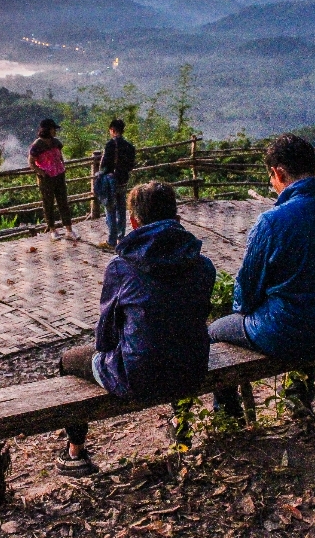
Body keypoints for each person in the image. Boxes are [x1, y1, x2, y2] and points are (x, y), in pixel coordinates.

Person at [57, 181, 216, 476]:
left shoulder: (121, 268)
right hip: (194, 368)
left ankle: (75, 453)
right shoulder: (203, 264)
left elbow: (104, 339)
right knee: (175, 340)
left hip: (138, 377)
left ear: (133, 222)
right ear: (177, 218)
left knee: (69, 360)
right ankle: (181, 427)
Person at [209, 134, 315, 418]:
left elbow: (245, 294)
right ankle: (298, 397)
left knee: (215, 331)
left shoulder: (273, 221)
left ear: (278, 173)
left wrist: (247, 311)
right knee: (305, 308)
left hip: (286, 331)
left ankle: (228, 416)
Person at [29, 118, 79, 241]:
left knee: (63, 203)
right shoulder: (37, 145)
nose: (55, 131)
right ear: (47, 130)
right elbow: (31, 162)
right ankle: (52, 229)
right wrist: (42, 172)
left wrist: (62, 165)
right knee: (48, 204)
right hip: (46, 179)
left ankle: (69, 230)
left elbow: (60, 156)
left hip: (59, 175)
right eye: (53, 129)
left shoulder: (56, 142)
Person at [97, 119, 136, 250]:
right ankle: (121, 238)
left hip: (111, 182)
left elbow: (104, 165)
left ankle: (111, 241)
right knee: (121, 208)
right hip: (123, 181)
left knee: (110, 209)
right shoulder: (129, 146)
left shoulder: (110, 145)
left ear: (112, 130)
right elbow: (131, 165)